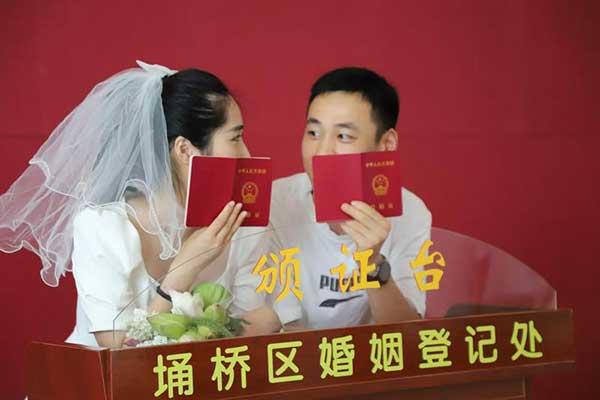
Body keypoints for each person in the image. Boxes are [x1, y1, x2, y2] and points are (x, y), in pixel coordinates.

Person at [0, 61, 272, 348]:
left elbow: (251, 328)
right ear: (185, 150)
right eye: (235, 138)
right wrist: (182, 272)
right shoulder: (103, 226)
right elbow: (117, 349)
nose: (247, 154)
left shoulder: (241, 225)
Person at [270, 67, 431, 330]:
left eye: (343, 136)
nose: (322, 151)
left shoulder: (410, 211)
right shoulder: (276, 203)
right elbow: (276, 323)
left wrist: (372, 264)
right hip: (296, 353)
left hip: (371, 354)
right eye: (313, 133)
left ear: (386, 144)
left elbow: (407, 331)